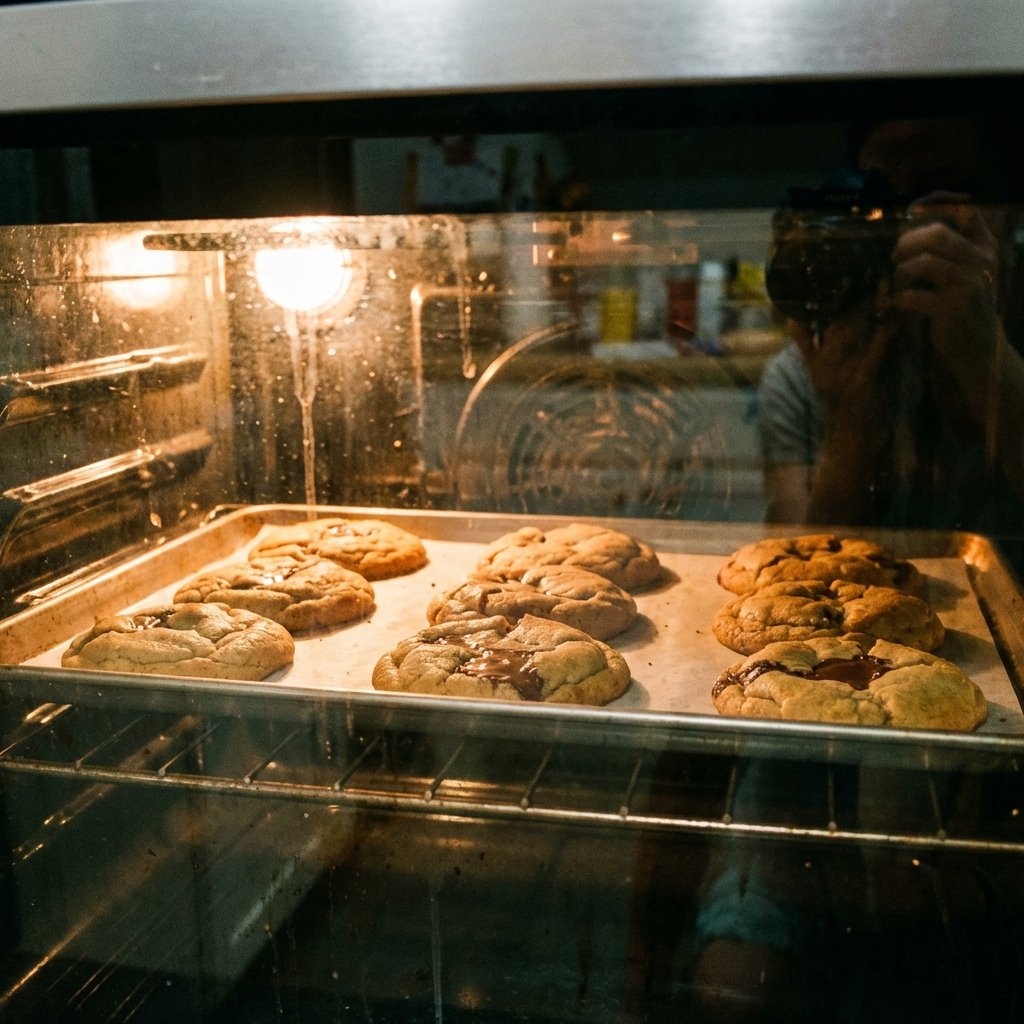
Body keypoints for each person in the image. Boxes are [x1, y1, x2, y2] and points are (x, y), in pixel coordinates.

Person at [757, 118, 1024, 544]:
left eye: (937, 194)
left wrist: (984, 359)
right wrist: (852, 422)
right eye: (879, 202)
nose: (906, 229)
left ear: (1010, 216)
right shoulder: (803, 372)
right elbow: (793, 569)